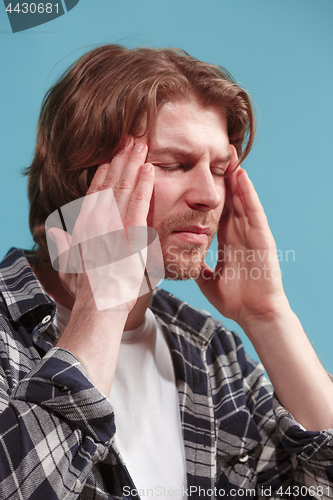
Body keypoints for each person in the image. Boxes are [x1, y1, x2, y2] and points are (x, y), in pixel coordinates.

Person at [0, 44, 332, 500]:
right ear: (84, 182)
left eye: (218, 170)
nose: (210, 197)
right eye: (174, 165)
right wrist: (102, 308)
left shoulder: (211, 353)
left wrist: (269, 317)